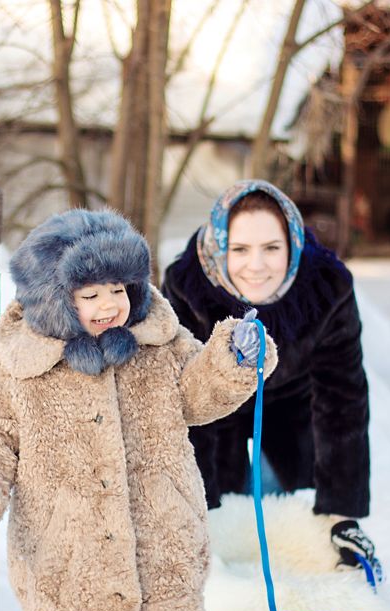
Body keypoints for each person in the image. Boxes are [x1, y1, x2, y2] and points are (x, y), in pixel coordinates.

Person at [0, 209, 278, 611]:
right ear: (53, 298)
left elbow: (198, 393)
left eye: (118, 290)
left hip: (152, 543)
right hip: (61, 554)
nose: (109, 305)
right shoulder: (12, 367)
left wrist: (232, 357)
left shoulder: (157, 344)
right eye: (90, 294)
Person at [161, 179, 375, 568]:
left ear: (292, 246)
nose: (256, 266)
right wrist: (195, 512)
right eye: (240, 249)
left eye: (271, 248)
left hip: (292, 408)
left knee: (289, 537)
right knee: (223, 537)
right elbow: (182, 403)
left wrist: (342, 512)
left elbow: (343, 398)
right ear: (219, 247)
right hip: (214, 410)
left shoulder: (328, 288)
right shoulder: (187, 287)